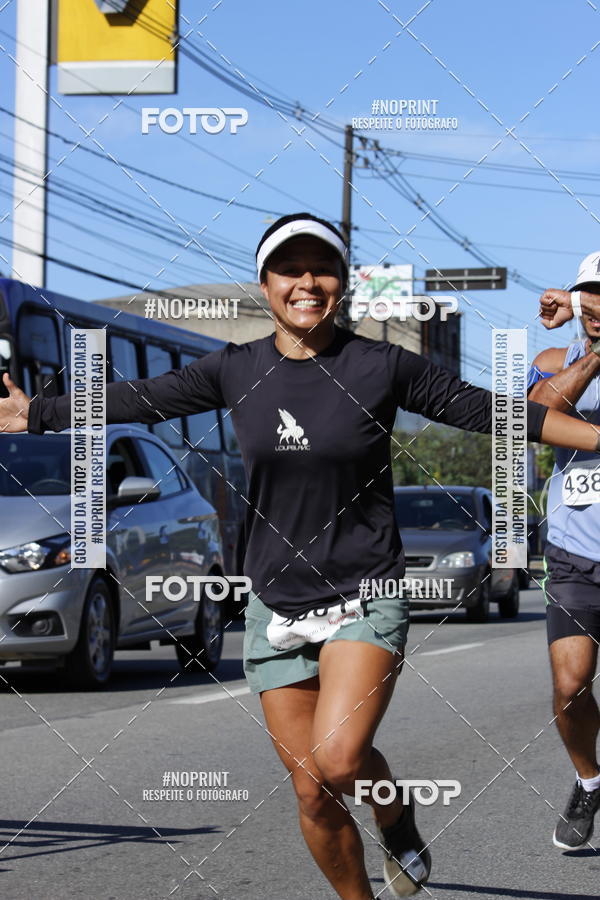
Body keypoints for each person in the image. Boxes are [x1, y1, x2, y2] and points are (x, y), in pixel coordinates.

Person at [2, 214, 600, 899]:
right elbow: (141, 399)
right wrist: (37, 414)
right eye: (291, 269)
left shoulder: (380, 365)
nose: (307, 282)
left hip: (364, 594)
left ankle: (394, 812)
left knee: (340, 757)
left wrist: (592, 434)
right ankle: (373, 866)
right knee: (315, 791)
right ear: (265, 285)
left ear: (341, 285)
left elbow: (495, 412)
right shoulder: (236, 368)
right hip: (274, 603)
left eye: (323, 269)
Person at [528, 251, 600, 851]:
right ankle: (588, 779)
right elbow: (540, 412)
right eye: (590, 293)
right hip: (576, 558)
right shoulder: (554, 360)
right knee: (570, 684)